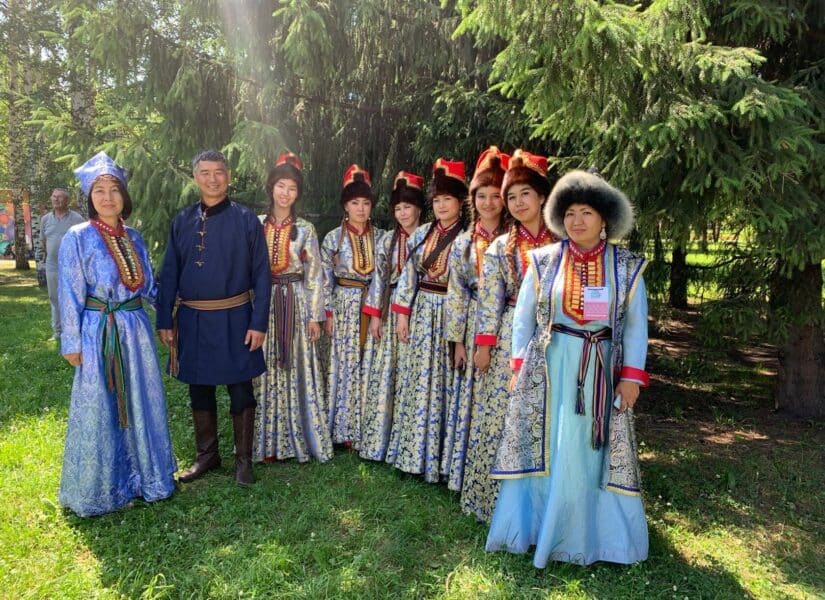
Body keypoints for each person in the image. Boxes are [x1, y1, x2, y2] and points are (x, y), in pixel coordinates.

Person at [486, 169, 650, 566]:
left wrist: (631, 377)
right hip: (550, 369)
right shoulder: (543, 261)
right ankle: (538, 528)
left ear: (605, 218)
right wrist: (519, 365)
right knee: (549, 445)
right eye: (571, 213)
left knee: (589, 449)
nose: (577, 221)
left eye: (587, 213)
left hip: (601, 371)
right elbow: (524, 317)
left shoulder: (627, 267)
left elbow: (636, 326)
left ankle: (594, 537)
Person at [57, 151, 176, 516]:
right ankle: (102, 488)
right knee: (101, 404)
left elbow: (149, 286)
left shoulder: (135, 237)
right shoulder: (77, 237)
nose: (108, 197)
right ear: (89, 198)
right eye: (99, 191)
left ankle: (147, 479)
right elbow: (69, 291)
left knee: (142, 400)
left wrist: (174, 311)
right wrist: (72, 341)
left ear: (124, 195)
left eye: (114, 190)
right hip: (99, 332)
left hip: (135, 332)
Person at [157, 149, 270, 486]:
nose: (212, 179)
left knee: (241, 388)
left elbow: (262, 276)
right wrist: (164, 319)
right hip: (192, 319)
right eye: (204, 172)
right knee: (199, 387)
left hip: (237, 318)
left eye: (218, 172)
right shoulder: (182, 220)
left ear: (228, 176)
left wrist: (258, 323)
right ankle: (207, 455)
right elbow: (170, 272)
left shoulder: (246, 220)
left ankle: (243, 460)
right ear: (195, 177)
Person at [462, 149, 557, 522]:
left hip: (556, 337)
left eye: (525, 195)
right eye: (511, 196)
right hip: (509, 337)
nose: (518, 203)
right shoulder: (501, 247)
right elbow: (489, 301)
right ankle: (495, 503)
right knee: (503, 414)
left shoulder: (564, 242)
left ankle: (549, 509)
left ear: (542, 197)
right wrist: (484, 345)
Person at [388, 158, 467, 482]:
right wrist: (402, 315)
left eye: (447, 199)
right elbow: (408, 277)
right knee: (418, 381)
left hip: (452, 313)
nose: (442, 206)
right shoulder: (421, 234)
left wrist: (461, 333)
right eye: (436, 200)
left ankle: (441, 461)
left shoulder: (468, 238)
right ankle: (412, 454)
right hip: (421, 311)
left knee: (446, 384)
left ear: (460, 202)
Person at [253, 153, 333, 463]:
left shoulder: (305, 229)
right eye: (280, 186)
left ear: (298, 193)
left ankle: (298, 435)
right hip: (264, 303)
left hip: (296, 302)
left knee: (298, 366)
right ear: (271, 187)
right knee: (265, 365)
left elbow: (315, 275)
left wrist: (315, 316)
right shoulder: (256, 224)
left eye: (292, 188)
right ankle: (267, 440)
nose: (285, 193)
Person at [442, 146, 508, 492]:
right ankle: (465, 473)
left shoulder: (514, 241)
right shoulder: (463, 243)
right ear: (473, 200)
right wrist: (456, 341)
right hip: (471, 327)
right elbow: (455, 292)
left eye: (495, 195)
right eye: (481, 196)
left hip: (506, 325)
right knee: (470, 397)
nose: (488, 203)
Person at [358, 171, 424, 461]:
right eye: (398, 208)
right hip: (389, 305)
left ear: (419, 208)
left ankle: (409, 436)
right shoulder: (388, 240)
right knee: (388, 371)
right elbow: (379, 278)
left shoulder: (428, 236)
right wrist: (375, 315)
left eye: (407, 207)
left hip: (420, 307)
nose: (403, 213)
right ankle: (382, 438)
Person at [321, 165, 384, 447]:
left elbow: (383, 276)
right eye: (355, 203)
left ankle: (365, 429)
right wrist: (328, 313)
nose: (360, 209)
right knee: (344, 364)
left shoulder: (382, 238)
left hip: (371, 308)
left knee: (369, 363)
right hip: (343, 306)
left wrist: (376, 311)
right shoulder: (333, 238)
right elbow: (324, 278)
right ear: (346, 206)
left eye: (366, 203)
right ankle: (341, 429)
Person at [40, 188, 84, 340]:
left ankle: (75, 330)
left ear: (67, 200)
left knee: (74, 297)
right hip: (52, 266)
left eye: (59, 197)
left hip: (72, 266)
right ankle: (57, 332)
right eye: (54, 196)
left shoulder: (77, 219)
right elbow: (44, 242)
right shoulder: (45, 219)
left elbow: (83, 243)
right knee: (54, 298)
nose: (56, 199)